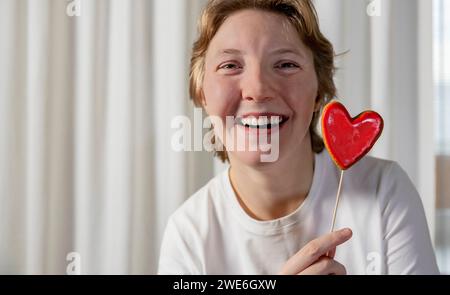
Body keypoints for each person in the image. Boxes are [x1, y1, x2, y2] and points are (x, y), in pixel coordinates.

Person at [158, 0, 439, 275]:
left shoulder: (384, 192)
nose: (257, 89)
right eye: (230, 65)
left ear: (318, 91)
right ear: (201, 92)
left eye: (286, 64)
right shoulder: (188, 236)